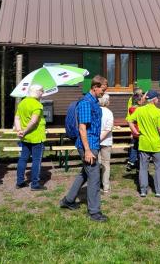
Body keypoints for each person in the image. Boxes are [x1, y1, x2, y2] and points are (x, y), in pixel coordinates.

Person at [60, 75, 108, 222]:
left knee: (85, 173)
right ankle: (94, 212)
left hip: (93, 144)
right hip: (88, 146)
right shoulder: (86, 103)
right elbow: (82, 128)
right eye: (102, 90)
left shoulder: (93, 101)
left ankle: (68, 200)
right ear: (95, 87)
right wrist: (87, 150)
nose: (103, 93)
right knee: (94, 177)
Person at [128, 90, 160, 198]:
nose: (158, 100)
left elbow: (129, 120)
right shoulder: (158, 112)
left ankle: (143, 191)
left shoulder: (139, 110)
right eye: (157, 98)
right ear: (154, 100)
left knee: (143, 168)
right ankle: (158, 191)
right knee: (158, 167)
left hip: (144, 143)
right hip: (156, 144)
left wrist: (135, 131)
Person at [14, 84, 47, 190]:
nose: (42, 93)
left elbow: (17, 118)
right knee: (36, 160)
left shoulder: (22, 103)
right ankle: (35, 184)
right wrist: (25, 131)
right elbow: (34, 121)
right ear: (36, 92)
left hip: (25, 137)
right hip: (36, 136)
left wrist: (20, 130)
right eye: (41, 91)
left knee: (23, 159)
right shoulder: (37, 105)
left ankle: (19, 182)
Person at [99, 93, 114, 194]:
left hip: (94, 141)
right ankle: (106, 186)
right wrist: (101, 138)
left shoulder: (94, 110)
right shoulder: (109, 112)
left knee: (96, 164)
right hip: (106, 141)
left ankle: (95, 184)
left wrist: (97, 139)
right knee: (106, 164)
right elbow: (108, 128)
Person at [126, 93, 143, 171]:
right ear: (138, 101)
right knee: (140, 148)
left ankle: (131, 162)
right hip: (140, 131)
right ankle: (140, 164)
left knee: (134, 147)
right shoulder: (140, 110)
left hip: (134, 131)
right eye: (141, 99)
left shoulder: (131, 109)